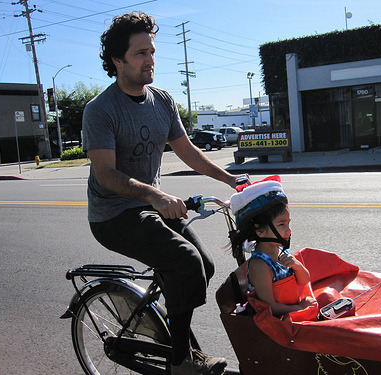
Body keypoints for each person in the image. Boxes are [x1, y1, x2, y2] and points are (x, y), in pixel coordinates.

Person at [82, 11, 246, 375]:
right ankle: (180, 362)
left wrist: (231, 180)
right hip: (112, 215)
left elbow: (187, 150)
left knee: (203, 266)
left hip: (147, 206)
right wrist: (156, 196)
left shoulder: (163, 100)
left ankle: (169, 333)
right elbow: (106, 175)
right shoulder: (100, 110)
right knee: (184, 262)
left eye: (152, 51)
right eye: (140, 53)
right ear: (117, 60)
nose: (150, 60)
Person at [230, 176, 317, 317]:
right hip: (276, 324)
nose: (288, 230)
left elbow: (304, 280)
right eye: (282, 224)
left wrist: (297, 266)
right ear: (259, 230)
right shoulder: (260, 265)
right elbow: (270, 308)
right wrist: (300, 307)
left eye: (288, 223)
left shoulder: (280, 250)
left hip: (290, 313)